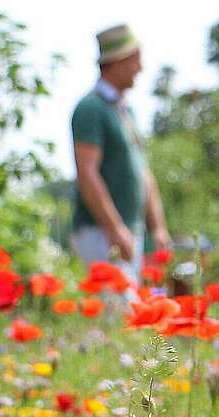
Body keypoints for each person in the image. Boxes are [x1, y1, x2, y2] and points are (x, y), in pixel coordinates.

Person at [70, 24, 170, 279]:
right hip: (100, 232)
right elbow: (87, 174)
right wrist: (114, 228)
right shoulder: (91, 108)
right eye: (136, 60)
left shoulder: (126, 111)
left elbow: (143, 172)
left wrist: (157, 227)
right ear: (118, 62)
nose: (140, 68)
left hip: (128, 229)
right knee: (122, 311)